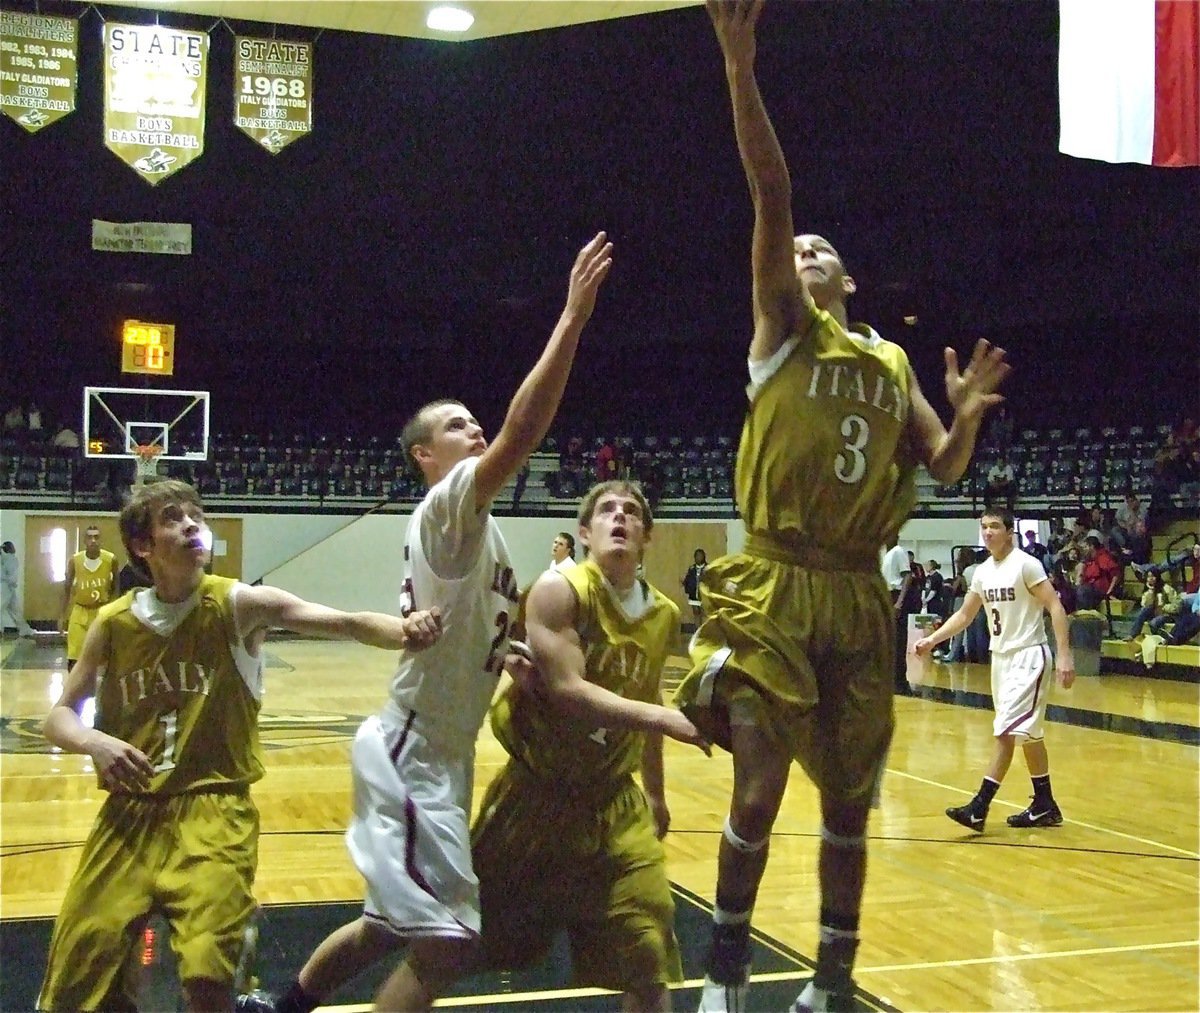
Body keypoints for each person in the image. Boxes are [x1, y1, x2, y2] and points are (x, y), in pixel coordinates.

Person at [674, 4, 1011, 1011]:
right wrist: (740, 67)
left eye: (824, 250)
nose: (806, 252)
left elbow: (944, 468)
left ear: (851, 280)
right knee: (757, 790)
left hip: (858, 594)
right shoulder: (781, 327)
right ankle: (728, 974)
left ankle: (832, 979)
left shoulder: (888, 356)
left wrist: (968, 415)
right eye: (799, 249)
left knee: (851, 808)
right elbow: (772, 193)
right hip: (776, 581)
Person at [237, 232, 613, 1013]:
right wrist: (571, 319)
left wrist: (500, 649)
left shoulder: (483, 533)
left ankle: (281, 1004)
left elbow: (464, 618)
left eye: (475, 423)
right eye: (458, 427)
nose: (475, 431)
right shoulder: (449, 505)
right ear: (424, 455)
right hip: (413, 747)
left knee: (386, 924)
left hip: (439, 749)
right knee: (448, 941)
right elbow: (523, 433)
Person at [37, 479, 444, 1013]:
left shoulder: (237, 604)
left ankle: (229, 945)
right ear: (142, 546)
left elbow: (341, 621)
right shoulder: (112, 625)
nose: (191, 524)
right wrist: (96, 742)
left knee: (206, 978)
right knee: (77, 976)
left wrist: (405, 630)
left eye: (195, 515)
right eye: (172, 518)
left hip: (214, 808)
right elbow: (59, 717)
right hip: (128, 815)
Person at [446, 481, 710, 1011]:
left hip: (613, 801)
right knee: (451, 949)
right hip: (536, 795)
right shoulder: (559, 591)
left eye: (632, 512)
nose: (620, 518)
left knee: (648, 956)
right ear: (585, 533)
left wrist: (655, 794)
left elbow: (646, 694)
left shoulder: (660, 614)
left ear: (647, 536)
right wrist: (667, 717)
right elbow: (568, 692)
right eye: (606, 511)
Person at [912, 508, 1075, 832]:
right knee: (1030, 734)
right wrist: (931, 638)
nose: (988, 532)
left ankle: (979, 807)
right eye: (984, 527)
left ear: (1009, 531)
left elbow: (1055, 605)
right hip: (1000, 659)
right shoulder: (983, 571)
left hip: (1029, 656)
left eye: (994, 526)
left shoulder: (1026, 564)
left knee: (1004, 732)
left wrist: (1066, 656)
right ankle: (1044, 804)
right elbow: (965, 615)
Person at [59, 524, 117, 669]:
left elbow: (116, 587)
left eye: (96, 537)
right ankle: (75, 690)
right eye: (89, 537)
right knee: (74, 657)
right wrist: (62, 616)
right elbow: (66, 589)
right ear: (84, 540)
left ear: (100, 540)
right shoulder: (75, 560)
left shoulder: (110, 559)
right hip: (80, 611)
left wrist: (115, 612)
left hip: (101, 611)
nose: (93, 540)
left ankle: (102, 690)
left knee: (104, 657)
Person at [1, 540, 36, 637]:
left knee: (14, 609)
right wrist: (13, 583)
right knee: (14, 610)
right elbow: (12, 576)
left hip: (6, 587)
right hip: (5, 587)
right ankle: (25, 630)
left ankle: (25, 630)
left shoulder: (3, 558)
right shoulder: (11, 559)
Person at [683, 548, 709, 627]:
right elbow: (688, 580)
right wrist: (686, 586)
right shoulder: (692, 569)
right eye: (697, 556)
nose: (698, 558)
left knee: (704, 613)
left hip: (704, 595)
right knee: (696, 612)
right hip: (694, 594)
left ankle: (704, 630)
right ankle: (697, 630)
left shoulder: (708, 568)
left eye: (700, 556)